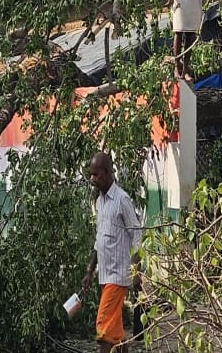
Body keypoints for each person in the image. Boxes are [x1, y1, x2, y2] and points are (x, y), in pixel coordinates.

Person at [81, 151, 143, 353]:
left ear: (107, 173)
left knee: (103, 328)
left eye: (95, 175)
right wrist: (90, 270)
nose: (92, 180)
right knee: (115, 332)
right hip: (105, 275)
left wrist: (136, 270)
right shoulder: (100, 202)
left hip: (119, 274)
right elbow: (100, 240)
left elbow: (137, 234)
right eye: (91, 175)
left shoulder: (122, 200)